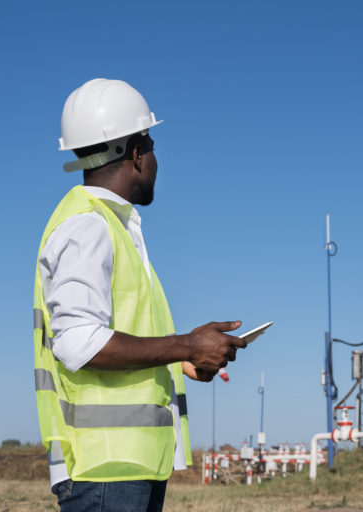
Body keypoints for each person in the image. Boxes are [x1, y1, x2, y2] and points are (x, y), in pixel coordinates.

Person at [33, 78, 247, 511]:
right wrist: (186, 344)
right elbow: (78, 342)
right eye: (151, 146)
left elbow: (113, 332)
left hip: (125, 466)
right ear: (136, 153)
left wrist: (183, 360)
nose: (154, 161)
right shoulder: (88, 225)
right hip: (105, 470)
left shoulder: (110, 227)